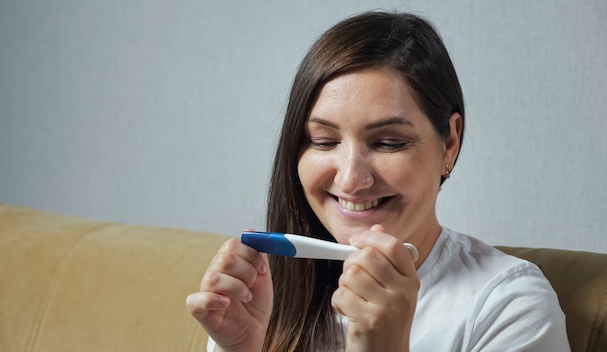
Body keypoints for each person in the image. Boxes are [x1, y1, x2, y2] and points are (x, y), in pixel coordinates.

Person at [186, 11, 570, 352]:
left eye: (388, 143)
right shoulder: (265, 294)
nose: (351, 179)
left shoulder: (509, 306)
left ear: (449, 143)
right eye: (324, 141)